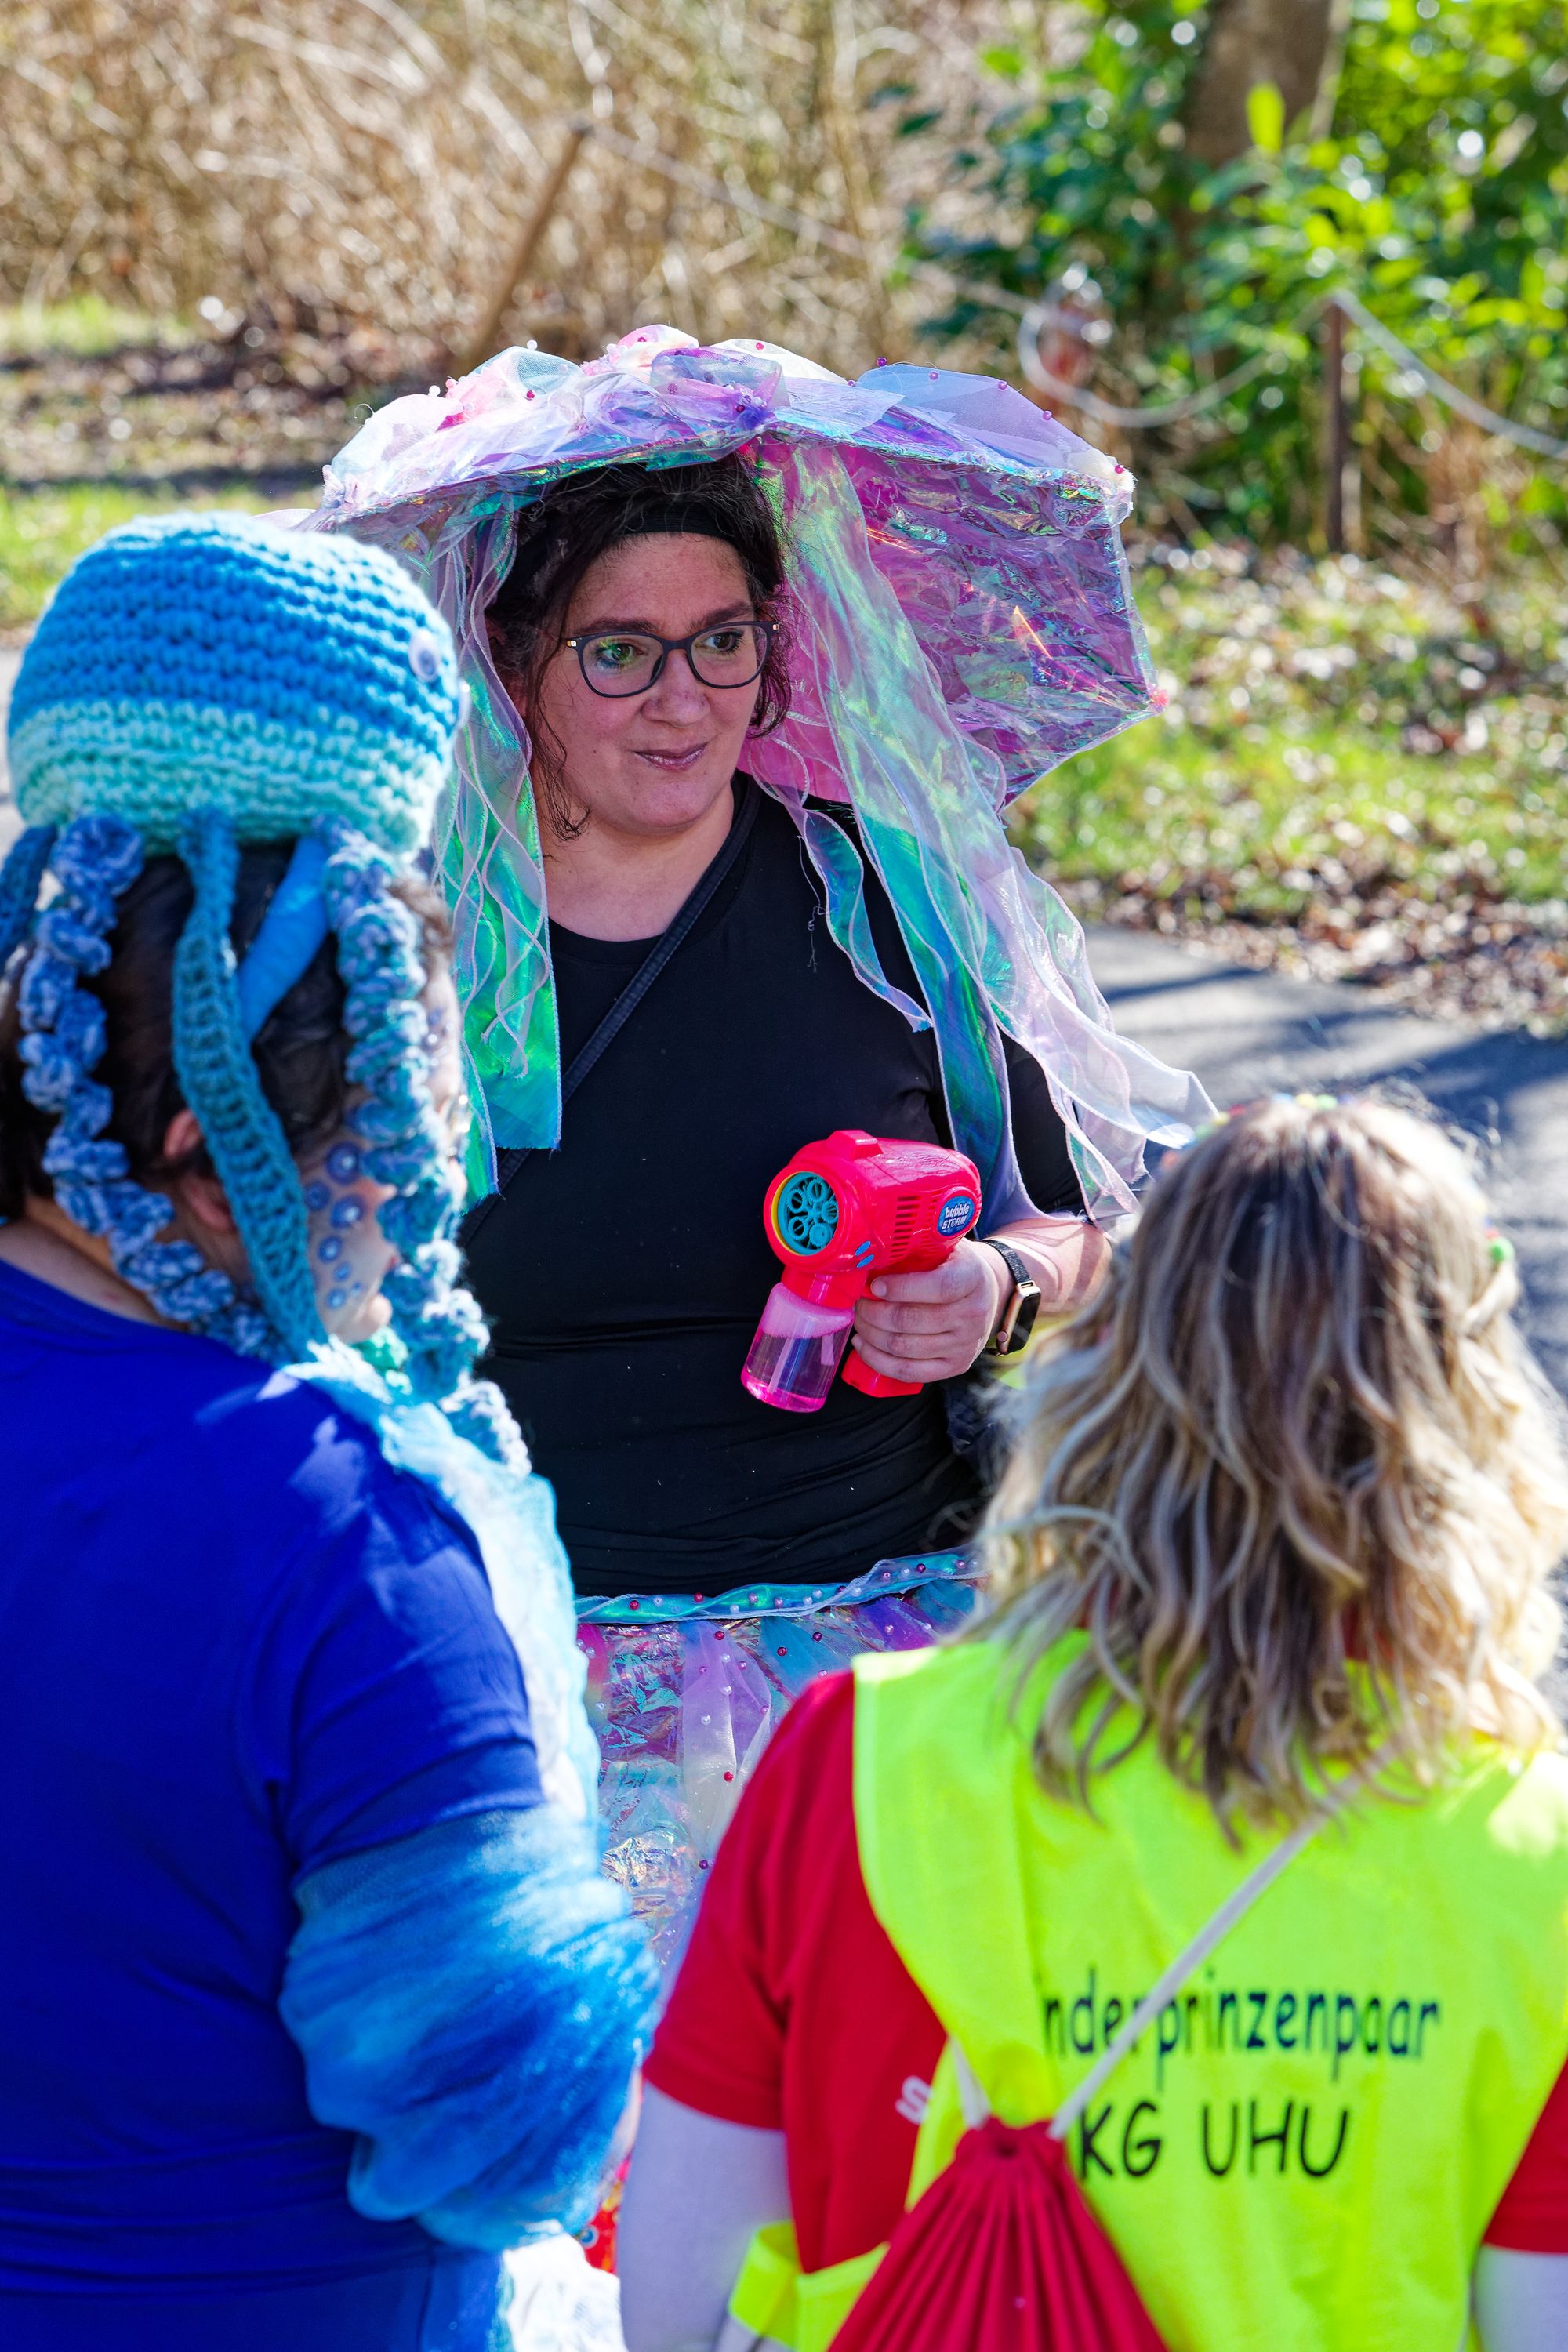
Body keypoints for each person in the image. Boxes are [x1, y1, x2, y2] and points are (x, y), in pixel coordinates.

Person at [318, 325, 1213, 1960]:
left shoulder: (880, 897)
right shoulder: (413, 933)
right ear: (510, 660)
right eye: (621, 653)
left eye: (724, 642)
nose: (684, 700)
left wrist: (993, 1289)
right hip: (515, 1663)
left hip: (878, 1649)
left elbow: (1078, 1226)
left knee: (886, 2156)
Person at [0, 514, 653, 2350]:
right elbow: (500, 2133)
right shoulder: (344, 1533)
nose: (412, 1182)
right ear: (209, 1126)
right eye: (399, 1098)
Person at [620, 1096, 1568, 2351]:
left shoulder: (859, 1758)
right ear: (1463, 1416)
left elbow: (678, 2306)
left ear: (1107, 1381)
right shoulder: (1531, 1856)